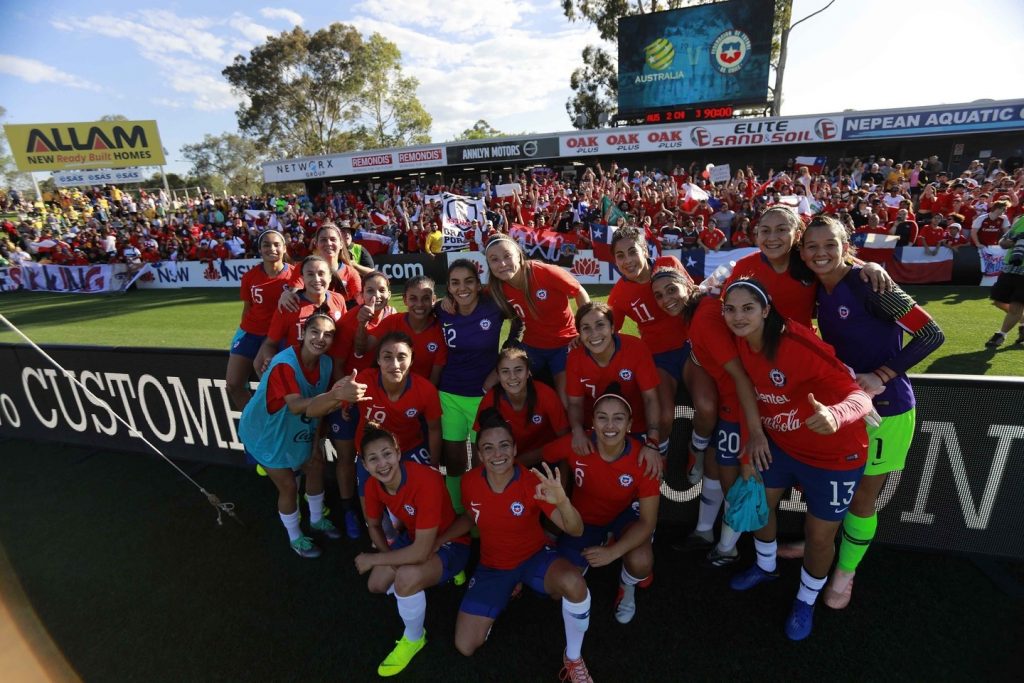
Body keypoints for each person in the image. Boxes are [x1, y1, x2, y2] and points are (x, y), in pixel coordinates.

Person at [800, 216, 944, 607]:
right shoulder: (817, 284)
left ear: (846, 244)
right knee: (829, 487)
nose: (820, 253)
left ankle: (844, 575)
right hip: (845, 409)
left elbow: (932, 334)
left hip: (888, 411)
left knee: (863, 499)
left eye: (830, 244)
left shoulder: (869, 283)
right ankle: (818, 546)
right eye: (811, 246)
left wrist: (881, 374)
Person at [722, 278, 873, 641]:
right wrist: (749, 445)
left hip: (836, 454)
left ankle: (806, 600)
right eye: (731, 309)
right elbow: (751, 398)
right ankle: (766, 565)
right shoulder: (742, 344)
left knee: (819, 538)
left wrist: (836, 415)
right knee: (760, 506)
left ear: (766, 310)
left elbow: (859, 395)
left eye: (748, 308)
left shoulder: (797, 342)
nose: (738, 317)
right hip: (783, 446)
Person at [440, 413, 593, 682]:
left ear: (514, 449)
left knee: (573, 584)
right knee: (465, 646)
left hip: (534, 557)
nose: (497, 454)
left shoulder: (532, 481)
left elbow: (576, 530)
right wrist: (441, 539)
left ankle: (573, 658)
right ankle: (507, 591)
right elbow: (470, 517)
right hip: (493, 566)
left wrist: (563, 502)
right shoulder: (469, 482)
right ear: (479, 453)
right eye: (488, 447)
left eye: (504, 446)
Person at [649, 268, 768, 564]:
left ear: (688, 285)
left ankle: (728, 549)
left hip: (737, 408)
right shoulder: (701, 311)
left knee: (734, 480)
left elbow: (740, 378)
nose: (666, 300)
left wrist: (753, 432)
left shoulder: (703, 319)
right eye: (659, 296)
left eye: (671, 290)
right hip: (731, 405)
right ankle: (705, 533)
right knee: (714, 469)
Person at [238, 314, 368, 558]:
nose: (320, 338)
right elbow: (298, 406)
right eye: (315, 332)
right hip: (265, 431)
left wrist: (316, 442)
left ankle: (317, 519)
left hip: (295, 427)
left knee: (316, 464)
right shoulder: (284, 364)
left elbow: (317, 411)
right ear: (303, 333)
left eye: (328, 334)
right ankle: (295, 537)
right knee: (288, 485)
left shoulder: (326, 364)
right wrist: (337, 396)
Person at [354, 427, 471, 677]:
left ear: (398, 454)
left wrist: (377, 558)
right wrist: (391, 559)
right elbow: (373, 525)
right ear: (364, 464)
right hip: (414, 537)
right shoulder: (373, 486)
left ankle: (415, 637)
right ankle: (418, 582)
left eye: (387, 454)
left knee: (405, 579)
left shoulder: (425, 480)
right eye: (373, 458)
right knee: (376, 584)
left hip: (450, 542)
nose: (382, 464)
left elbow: (420, 552)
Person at [544, 390, 660, 624]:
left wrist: (612, 554)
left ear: (629, 424)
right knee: (557, 591)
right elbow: (544, 455)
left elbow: (648, 522)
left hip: (623, 517)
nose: (610, 425)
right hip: (583, 520)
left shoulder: (645, 458)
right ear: (592, 422)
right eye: (602, 417)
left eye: (618, 418)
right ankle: (598, 543)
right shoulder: (577, 443)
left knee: (641, 562)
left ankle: (627, 586)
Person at [435, 259, 522, 515]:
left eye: (468, 281)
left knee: (481, 459)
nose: (462, 288)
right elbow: (423, 312)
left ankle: (480, 511)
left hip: (483, 394)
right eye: (455, 283)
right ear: (449, 287)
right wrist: (440, 302)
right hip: (448, 394)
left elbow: (520, 318)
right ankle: (456, 511)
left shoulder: (493, 306)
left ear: (478, 284)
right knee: (454, 461)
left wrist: (507, 353)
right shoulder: (442, 310)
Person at [606, 225, 692, 459]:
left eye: (632, 252)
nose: (627, 261)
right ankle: (660, 459)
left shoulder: (670, 264)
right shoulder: (619, 294)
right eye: (620, 256)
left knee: (707, 404)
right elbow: (608, 332)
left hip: (692, 347)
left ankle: (700, 453)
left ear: (645, 250)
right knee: (664, 416)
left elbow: (692, 297)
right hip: (658, 358)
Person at [484, 234, 589, 404]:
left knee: (565, 400)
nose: (502, 264)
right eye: (494, 259)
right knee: (490, 384)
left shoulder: (545, 272)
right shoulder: (497, 287)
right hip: (532, 346)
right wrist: (448, 302)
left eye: (507, 256)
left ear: (519, 255)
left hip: (564, 344)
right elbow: (471, 296)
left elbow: (579, 291)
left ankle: (571, 429)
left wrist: (584, 330)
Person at [565, 302, 662, 478]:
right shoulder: (574, 357)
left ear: (612, 327)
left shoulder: (636, 348)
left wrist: (652, 441)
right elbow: (574, 402)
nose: (594, 334)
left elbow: (650, 398)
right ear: (579, 333)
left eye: (600, 325)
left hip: (636, 426)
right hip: (596, 428)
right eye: (586, 328)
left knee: (648, 472)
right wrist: (577, 431)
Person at [226, 229, 292, 409]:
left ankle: (274, 422)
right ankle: (253, 422)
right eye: (266, 245)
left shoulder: (295, 277)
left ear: (284, 248)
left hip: (277, 336)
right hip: (251, 332)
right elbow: (247, 309)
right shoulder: (250, 276)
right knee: (233, 384)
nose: (272, 248)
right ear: (260, 250)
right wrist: (240, 335)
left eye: (277, 244)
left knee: (272, 386)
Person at [473, 347, 569, 467]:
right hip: (506, 462)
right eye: (505, 371)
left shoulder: (545, 395)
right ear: (498, 375)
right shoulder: (491, 400)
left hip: (544, 461)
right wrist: (478, 479)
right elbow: (480, 444)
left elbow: (565, 441)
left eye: (518, 370)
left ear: (528, 372)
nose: (512, 377)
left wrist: (563, 484)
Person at [254, 255, 347, 376]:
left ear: (330, 277)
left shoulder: (338, 300)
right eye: (310, 274)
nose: (316, 279)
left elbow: (345, 336)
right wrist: (271, 360)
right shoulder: (289, 305)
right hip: (297, 372)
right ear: (302, 278)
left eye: (321, 273)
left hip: (330, 371)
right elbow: (270, 344)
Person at [366, 275, 447, 385]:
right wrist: (362, 323)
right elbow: (364, 348)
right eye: (413, 298)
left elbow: (434, 379)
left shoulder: (441, 331)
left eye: (425, 298)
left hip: (421, 392)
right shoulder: (391, 322)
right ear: (405, 300)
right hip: (389, 389)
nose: (419, 304)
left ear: (433, 300)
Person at [278, 224, 362, 311]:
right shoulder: (304, 267)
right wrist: (287, 294)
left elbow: (360, 300)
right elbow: (295, 292)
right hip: (309, 319)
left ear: (341, 244)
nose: (328, 243)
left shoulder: (351, 273)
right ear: (316, 244)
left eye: (333, 239)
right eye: (323, 240)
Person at [984, 213, 1024, 348]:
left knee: (1016, 306)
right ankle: (1022, 322)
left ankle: (1001, 335)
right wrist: (1011, 242)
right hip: (1009, 268)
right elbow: (1003, 241)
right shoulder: (1021, 220)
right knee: (997, 301)